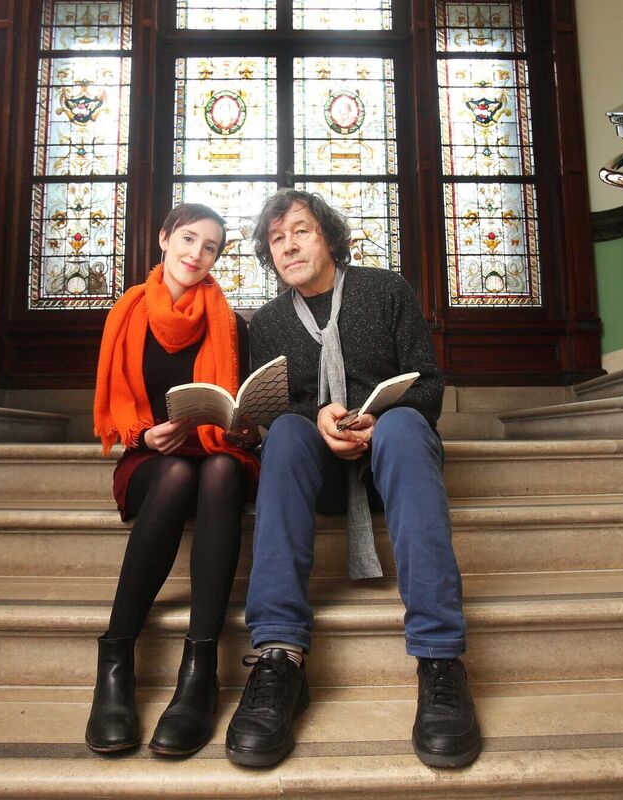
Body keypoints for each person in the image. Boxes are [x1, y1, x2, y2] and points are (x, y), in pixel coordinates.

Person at [223, 189, 480, 769]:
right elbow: (269, 412)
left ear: (329, 236)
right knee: (286, 434)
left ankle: (440, 658)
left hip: (390, 465)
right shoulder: (265, 323)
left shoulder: (385, 291)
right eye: (276, 238)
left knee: (407, 425)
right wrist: (313, 417)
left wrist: (377, 418)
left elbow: (430, 386)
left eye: (301, 230)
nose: (288, 245)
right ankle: (278, 656)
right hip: (315, 477)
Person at [88, 203, 257, 757]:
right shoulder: (129, 311)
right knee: (178, 472)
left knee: (221, 471)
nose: (196, 254)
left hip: (217, 453)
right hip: (151, 459)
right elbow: (116, 410)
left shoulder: (228, 319)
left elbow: (244, 411)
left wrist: (243, 427)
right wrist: (142, 437)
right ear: (163, 238)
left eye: (210, 247)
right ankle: (116, 660)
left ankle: (199, 670)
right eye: (188, 239)